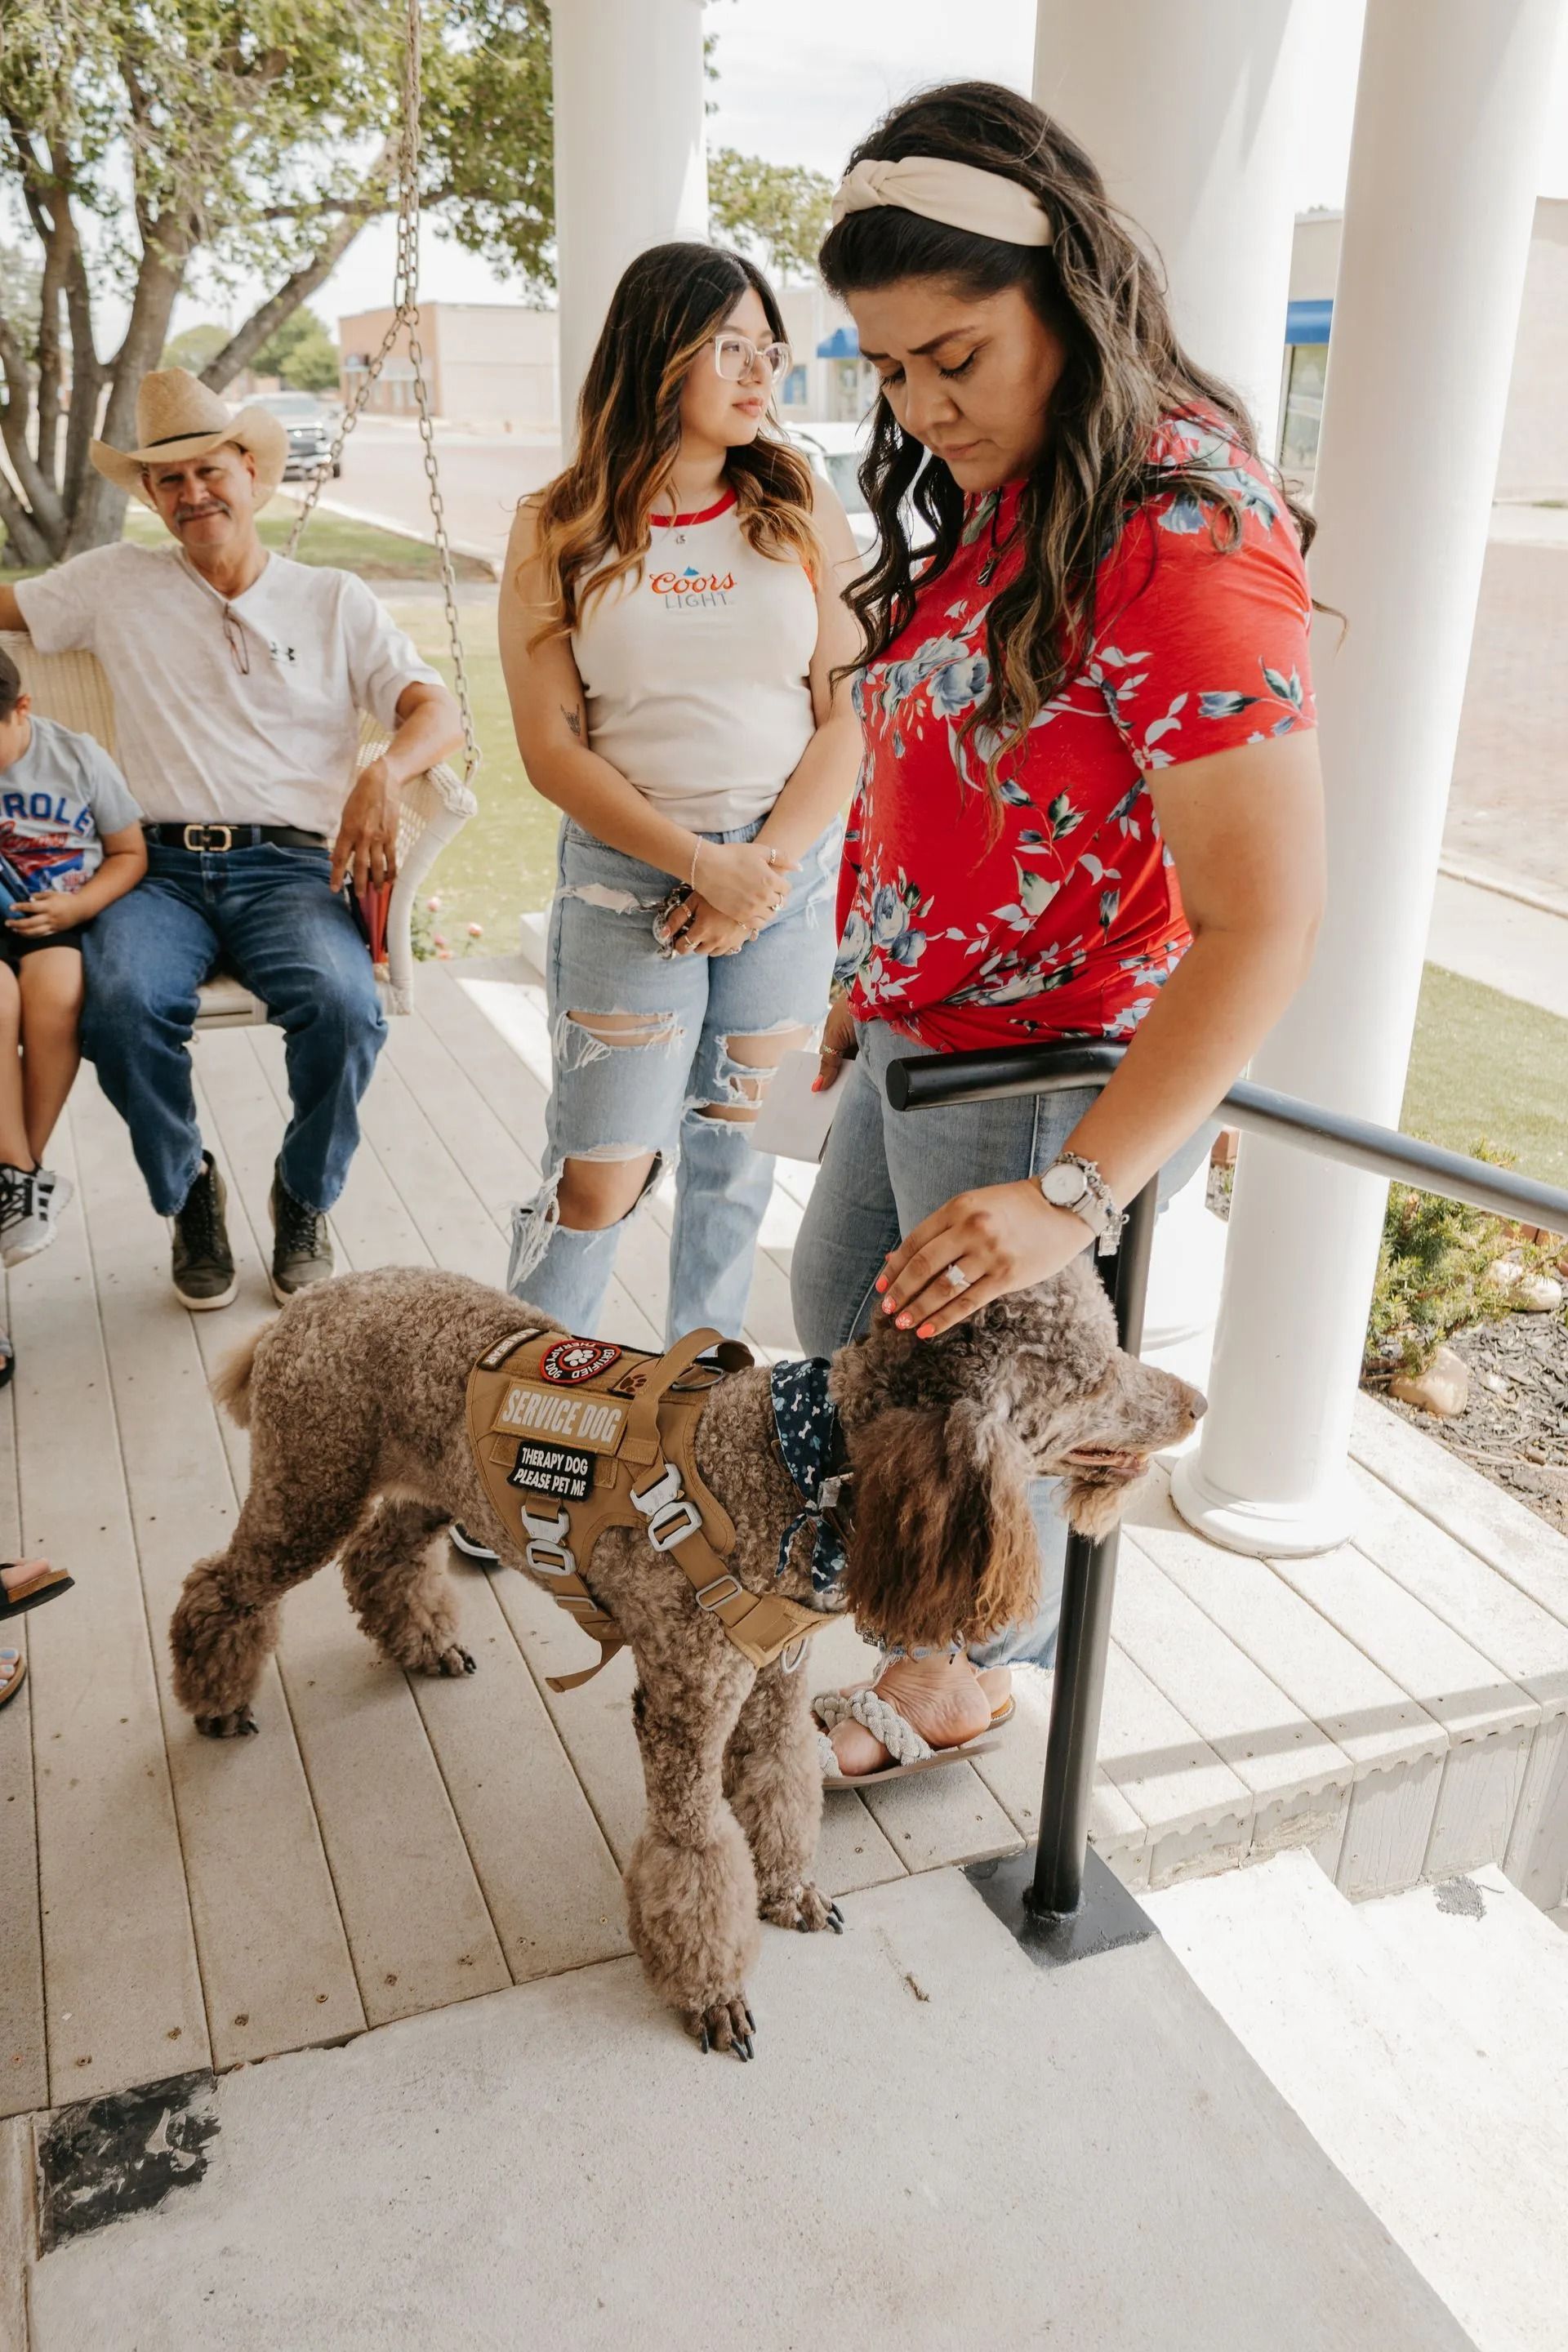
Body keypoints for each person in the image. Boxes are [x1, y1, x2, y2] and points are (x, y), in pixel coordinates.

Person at [795, 84, 1326, 1776]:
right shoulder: (1019, 490)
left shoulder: (1178, 525)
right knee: (849, 1343)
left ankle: (952, 1683)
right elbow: (939, 764)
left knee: (956, 1436)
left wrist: (1074, 1194)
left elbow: (1266, 918)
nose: (921, 401)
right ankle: (970, 1591)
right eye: (884, 366)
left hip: (1036, 1075)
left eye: (955, 351)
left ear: (1069, 289)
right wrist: (857, 962)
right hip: (916, 1032)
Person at [0, 369, 463, 1309]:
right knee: (121, 1008)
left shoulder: (333, 598)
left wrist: (384, 772)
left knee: (346, 1008)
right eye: (168, 482)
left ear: (251, 470)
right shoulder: (115, 583)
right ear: (152, 498)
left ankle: (303, 1192)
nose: (192, 494)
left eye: (209, 470)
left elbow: (434, 709)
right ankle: (188, 1194)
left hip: (290, 867)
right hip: (155, 870)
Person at [498, 243, 862, 1345]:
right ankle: (518, 1429)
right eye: (732, 348)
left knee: (736, 1167)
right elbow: (552, 750)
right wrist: (703, 867)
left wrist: (757, 876)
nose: (763, 376)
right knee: (597, 1181)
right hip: (630, 883)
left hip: (785, 878)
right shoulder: (557, 524)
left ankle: (697, 1420)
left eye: (771, 351)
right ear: (660, 356)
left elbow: (849, 713)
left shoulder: (799, 502)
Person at [0, 648, 147, 1272]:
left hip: (57, 916)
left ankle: (17, 1181)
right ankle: (23, 1175)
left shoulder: (78, 755)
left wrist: (78, 908)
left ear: (22, 709)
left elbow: (129, 854)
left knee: (58, 996)